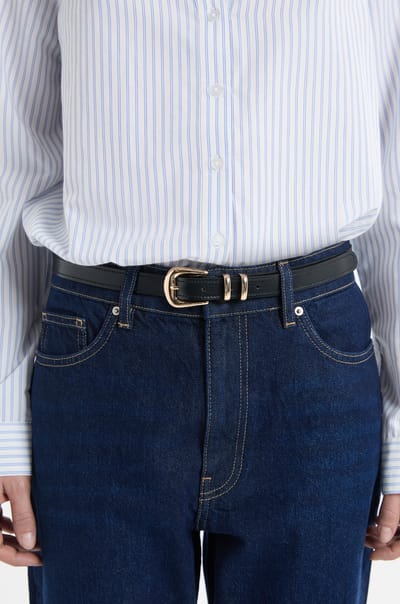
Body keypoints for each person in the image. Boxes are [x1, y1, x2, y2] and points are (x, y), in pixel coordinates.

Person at [0, 1, 399, 602]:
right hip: (103, 360)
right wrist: (6, 423)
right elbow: (14, 158)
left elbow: (395, 150)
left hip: (312, 364)